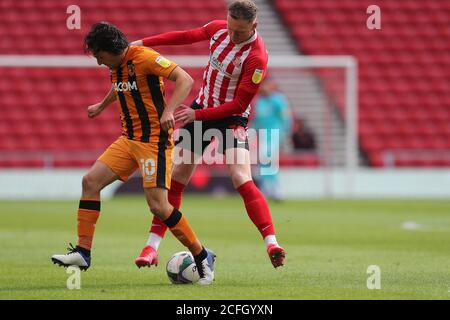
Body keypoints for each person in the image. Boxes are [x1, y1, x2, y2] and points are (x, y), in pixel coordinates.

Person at [51, 22, 215, 285]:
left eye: (99, 56)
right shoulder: (116, 66)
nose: (98, 63)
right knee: (90, 182)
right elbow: (122, 87)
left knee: (159, 206)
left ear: (111, 49)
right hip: (128, 140)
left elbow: (185, 79)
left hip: (153, 143)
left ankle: (202, 256)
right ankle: (83, 252)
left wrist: (169, 111)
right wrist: (102, 106)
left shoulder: (145, 58)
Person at [131, 0, 286, 268]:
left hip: (230, 119)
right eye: (230, 27)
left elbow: (238, 105)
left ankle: (271, 242)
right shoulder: (218, 30)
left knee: (240, 176)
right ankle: (151, 247)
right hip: (202, 108)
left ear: (255, 26)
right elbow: (186, 36)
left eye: (240, 31)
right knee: (177, 175)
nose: (233, 35)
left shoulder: (257, 58)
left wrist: (197, 115)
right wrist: (143, 43)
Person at [252, 79, 292, 201]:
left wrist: (286, 133)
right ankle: (268, 190)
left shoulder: (278, 100)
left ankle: (275, 190)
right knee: (265, 161)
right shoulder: (259, 101)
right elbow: (258, 120)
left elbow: (286, 117)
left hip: (275, 133)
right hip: (263, 135)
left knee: (267, 159)